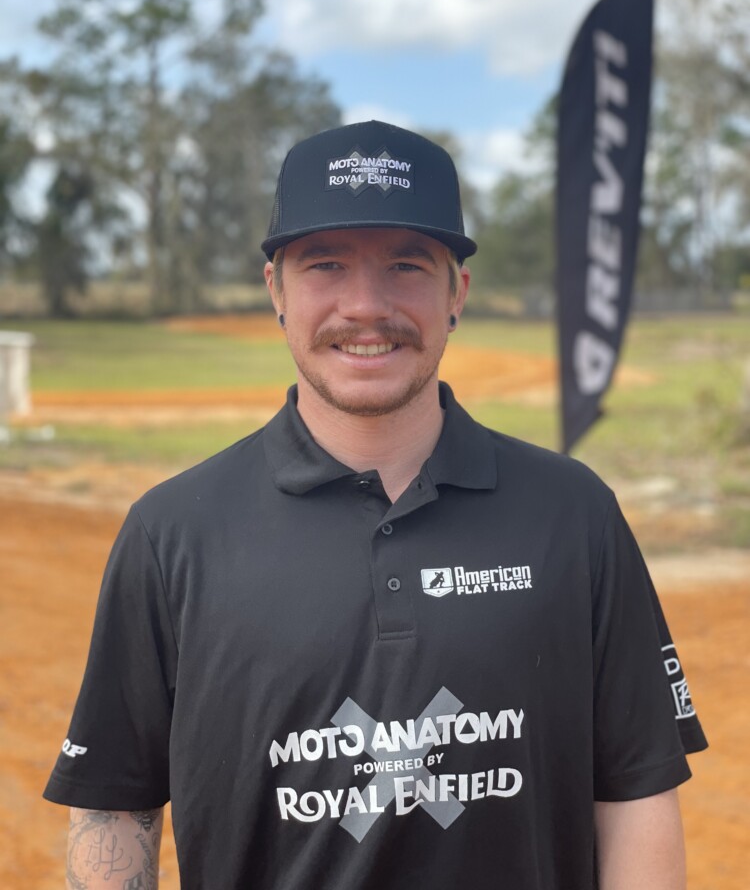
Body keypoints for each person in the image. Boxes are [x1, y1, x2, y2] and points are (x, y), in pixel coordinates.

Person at [45, 120, 706, 890]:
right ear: (276, 290)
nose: (365, 305)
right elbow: (113, 807)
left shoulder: (575, 515)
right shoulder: (172, 534)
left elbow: (635, 792)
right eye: (326, 264)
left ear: (457, 293)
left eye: (406, 265)